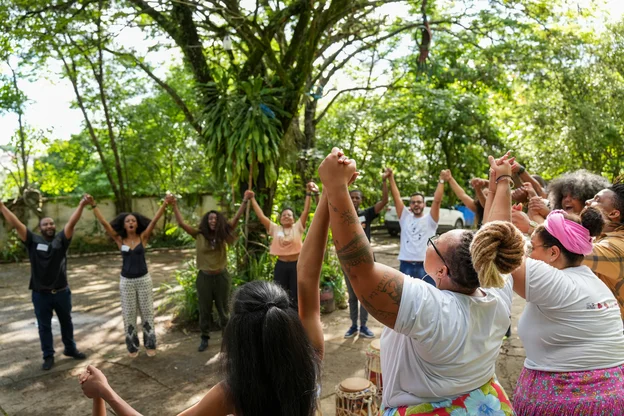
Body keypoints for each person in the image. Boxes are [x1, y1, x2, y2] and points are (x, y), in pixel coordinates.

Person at [318, 148, 524, 415]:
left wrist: (336, 185)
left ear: (441, 272)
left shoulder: (435, 311)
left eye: (435, 242)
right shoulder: (496, 290)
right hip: (482, 402)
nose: (433, 240)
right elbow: (497, 235)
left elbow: (360, 270)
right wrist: (502, 180)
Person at [79, 280, 321, 416]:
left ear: (238, 334)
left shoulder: (233, 392)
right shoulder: (310, 365)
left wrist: (105, 392)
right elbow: (309, 277)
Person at [509, 207, 624, 413]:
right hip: (612, 400)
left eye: (531, 248)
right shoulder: (593, 282)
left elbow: (498, 247)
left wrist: (500, 183)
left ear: (553, 252)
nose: (528, 254)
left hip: (566, 405)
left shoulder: (556, 282)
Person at [0, 196, 90, 370]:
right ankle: (48, 356)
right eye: (45, 224)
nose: (49, 226)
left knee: (67, 322)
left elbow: (71, 223)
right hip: (41, 294)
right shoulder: (33, 241)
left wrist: (81, 205)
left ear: (54, 227)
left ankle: (70, 349)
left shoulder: (61, 240)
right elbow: (17, 224)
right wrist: (2, 206)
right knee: (44, 326)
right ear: (40, 228)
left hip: (62, 292)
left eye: (51, 224)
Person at [90, 195, 172, 357]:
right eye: (127, 221)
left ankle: (150, 344)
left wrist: (165, 204)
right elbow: (105, 224)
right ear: (124, 225)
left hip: (144, 279)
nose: (131, 223)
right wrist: (93, 205)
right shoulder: (120, 239)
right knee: (129, 313)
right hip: (126, 281)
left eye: (133, 220)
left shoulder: (143, 238)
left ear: (137, 223)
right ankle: (132, 346)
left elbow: (154, 221)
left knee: (147, 312)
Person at [171, 195, 248, 352]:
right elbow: (181, 223)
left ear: (219, 221)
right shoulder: (198, 235)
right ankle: (204, 338)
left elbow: (236, 219)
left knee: (224, 310)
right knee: (204, 310)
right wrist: (173, 205)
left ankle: (227, 340)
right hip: (204, 277)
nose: (213, 221)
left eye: (215, 219)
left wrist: (245, 200)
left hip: (221, 277)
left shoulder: (223, 234)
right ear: (206, 221)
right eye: (210, 219)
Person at [247, 182, 317, 307]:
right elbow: (261, 216)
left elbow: (306, 211)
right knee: (279, 294)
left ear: (293, 219)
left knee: (296, 293)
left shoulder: (298, 227)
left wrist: (308, 193)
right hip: (281, 265)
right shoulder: (275, 228)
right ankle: (282, 317)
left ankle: (296, 318)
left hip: (296, 265)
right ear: (280, 219)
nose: (286, 216)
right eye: (284, 215)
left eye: (289, 215)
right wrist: (252, 198)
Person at [343, 170, 390, 339]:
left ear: (361, 200)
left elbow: (384, 201)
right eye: (352, 197)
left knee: (365, 294)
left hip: (366, 260)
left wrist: (384, 181)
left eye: (357, 197)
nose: (355, 199)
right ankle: (353, 326)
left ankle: (363, 326)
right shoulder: (343, 214)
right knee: (352, 295)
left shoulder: (366, 214)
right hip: (348, 261)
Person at [387, 168, 444, 285]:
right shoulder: (404, 217)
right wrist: (391, 177)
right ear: (410, 205)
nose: (416, 204)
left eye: (419, 202)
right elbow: (396, 197)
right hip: (406, 265)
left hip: (427, 265)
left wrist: (442, 180)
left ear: (424, 204)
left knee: (429, 298)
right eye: (413, 202)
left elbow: (437, 201)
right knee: (406, 300)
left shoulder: (430, 219)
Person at [583, 177, 624, 321]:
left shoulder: (617, 246)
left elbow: (572, 252)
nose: (588, 202)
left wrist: (531, 225)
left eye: (597, 199)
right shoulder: (600, 237)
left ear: (613, 213)